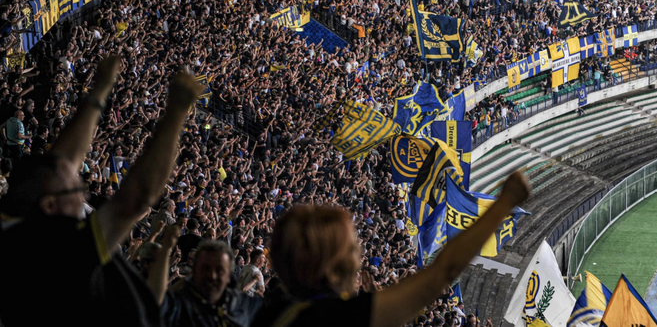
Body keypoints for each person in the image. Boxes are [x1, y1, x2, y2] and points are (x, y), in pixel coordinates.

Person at [0, 54, 204, 327]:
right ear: (50, 206)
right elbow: (133, 200)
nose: (83, 195)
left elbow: (62, 161)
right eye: (77, 189)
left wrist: (100, 91)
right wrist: (177, 113)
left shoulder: (15, 219)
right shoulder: (54, 253)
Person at [252, 171, 530, 327]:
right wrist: (504, 203)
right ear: (332, 267)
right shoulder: (336, 318)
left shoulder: (270, 313)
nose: (359, 259)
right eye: (352, 251)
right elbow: (443, 271)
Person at [160, 240, 263, 327]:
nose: (212, 276)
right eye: (206, 269)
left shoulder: (241, 304)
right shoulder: (178, 306)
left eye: (219, 270)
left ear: (228, 276)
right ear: (194, 271)